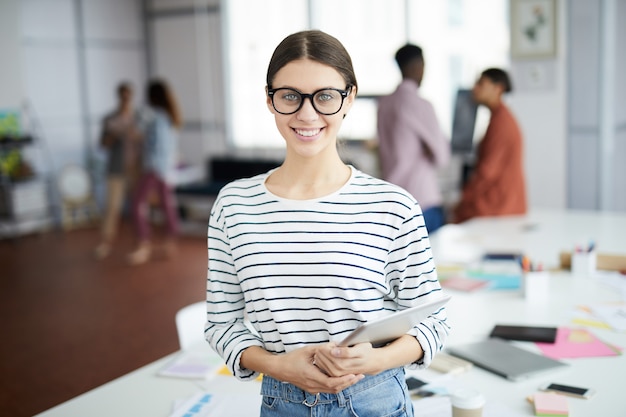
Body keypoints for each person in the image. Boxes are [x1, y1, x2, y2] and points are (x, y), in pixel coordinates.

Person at [205, 30, 449, 417]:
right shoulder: (234, 205)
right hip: (281, 401)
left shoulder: (393, 205)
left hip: (376, 399)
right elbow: (221, 324)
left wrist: (372, 361)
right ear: (270, 99)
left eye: (325, 96)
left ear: (349, 98)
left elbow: (433, 323)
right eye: (290, 96)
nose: (307, 114)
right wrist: (277, 365)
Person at [377, 44, 450, 234]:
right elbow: (442, 156)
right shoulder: (420, 105)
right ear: (418, 66)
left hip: (394, 202)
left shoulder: (384, 104)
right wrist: (427, 148)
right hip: (422, 201)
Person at [452, 68, 527, 223]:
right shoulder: (499, 118)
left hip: (498, 207)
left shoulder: (501, 123)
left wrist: (464, 199)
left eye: (481, 84)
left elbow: (488, 172)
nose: (475, 88)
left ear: (498, 88)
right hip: (503, 204)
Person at [127, 79, 182, 265]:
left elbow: (135, 133)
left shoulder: (153, 115)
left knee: (137, 204)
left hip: (154, 168)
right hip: (167, 169)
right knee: (167, 205)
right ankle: (169, 241)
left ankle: (143, 245)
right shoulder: (170, 117)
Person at [94, 82, 141, 259]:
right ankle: (105, 243)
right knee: (112, 208)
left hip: (135, 169)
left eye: (128, 95)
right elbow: (102, 144)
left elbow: (145, 141)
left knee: (137, 208)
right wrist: (115, 134)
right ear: (119, 96)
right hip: (116, 169)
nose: (126, 99)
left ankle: (140, 243)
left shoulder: (138, 117)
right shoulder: (109, 119)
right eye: (123, 95)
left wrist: (135, 134)